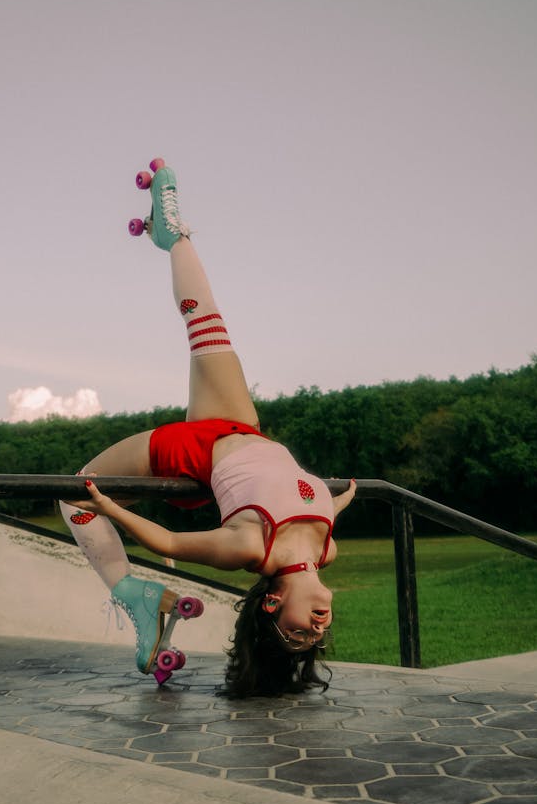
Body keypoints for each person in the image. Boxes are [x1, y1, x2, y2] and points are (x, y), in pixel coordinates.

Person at [60, 158, 356, 697]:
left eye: (294, 634)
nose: (316, 629)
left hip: (195, 451)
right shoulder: (327, 548)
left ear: (271, 603)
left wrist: (114, 509)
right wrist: (342, 497)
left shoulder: (251, 550)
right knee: (205, 320)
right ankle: (171, 238)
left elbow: (170, 538)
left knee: (72, 493)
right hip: (247, 428)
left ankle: (133, 593)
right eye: (317, 636)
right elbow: (320, 512)